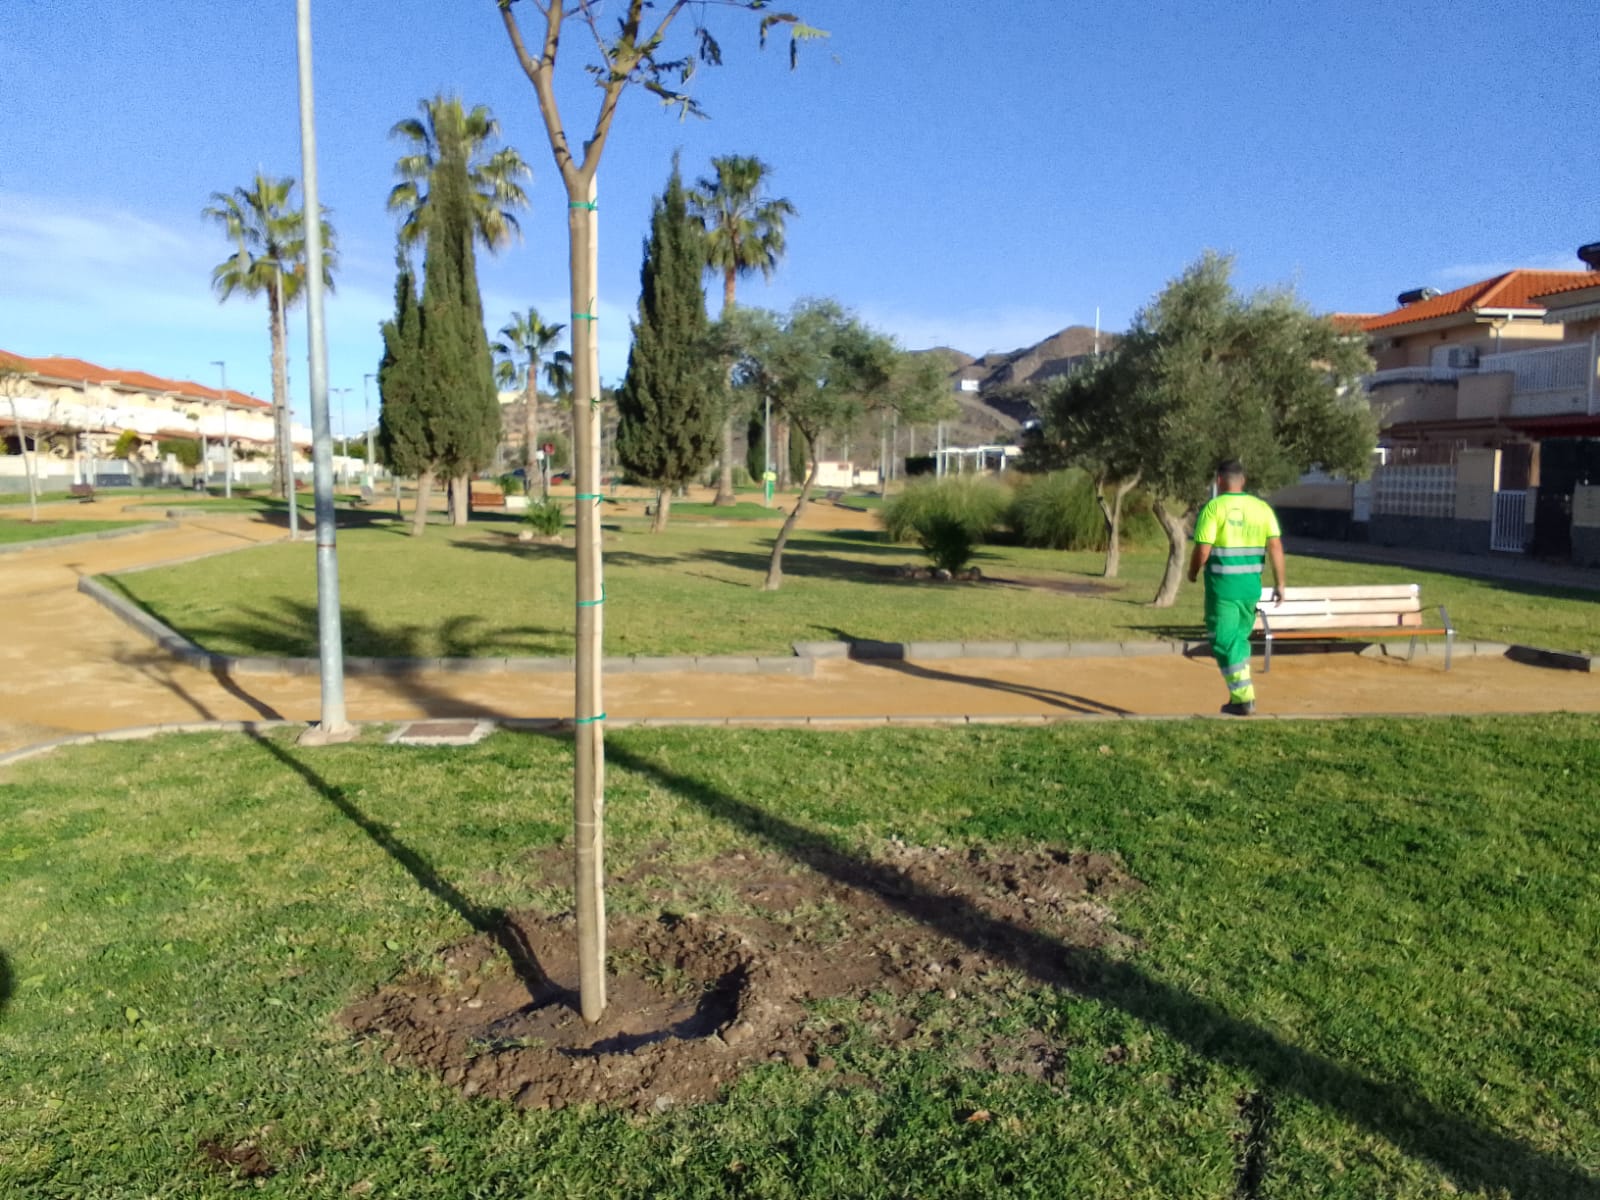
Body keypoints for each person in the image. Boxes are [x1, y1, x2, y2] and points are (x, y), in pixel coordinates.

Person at [1186, 460, 1285, 716]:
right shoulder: (1261, 508)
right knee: (1238, 641)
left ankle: (1244, 697)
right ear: (1244, 480)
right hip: (1251, 588)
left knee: (1222, 640)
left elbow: (1203, 548)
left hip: (1223, 589)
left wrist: (1193, 571)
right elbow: (1275, 546)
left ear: (1219, 481)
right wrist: (1281, 583)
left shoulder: (1214, 508)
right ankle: (1238, 696)